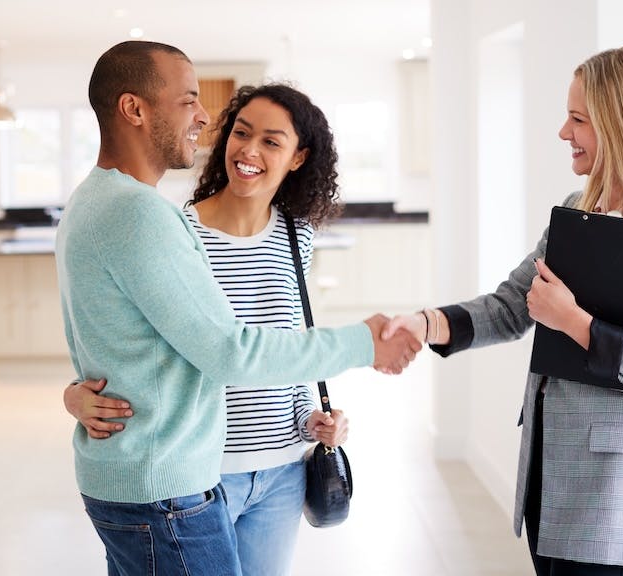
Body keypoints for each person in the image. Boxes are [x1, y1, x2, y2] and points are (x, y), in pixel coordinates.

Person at [56, 41, 421, 576]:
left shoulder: (106, 202)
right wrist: (365, 341)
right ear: (135, 109)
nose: (206, 118)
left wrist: (311, 416)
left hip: (231, 469)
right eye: (188, 101)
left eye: (271, 140)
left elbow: (133, 336)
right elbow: (229, 350)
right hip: (176, 480)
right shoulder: (150, 218)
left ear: (298, 158)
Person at [385, 46, 623, 575]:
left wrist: (574, 321)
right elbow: (508, 307)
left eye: (578, 119)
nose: (563, 132)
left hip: (616, 493)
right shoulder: (576, 207)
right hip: (550, 475)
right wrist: (425, 322)